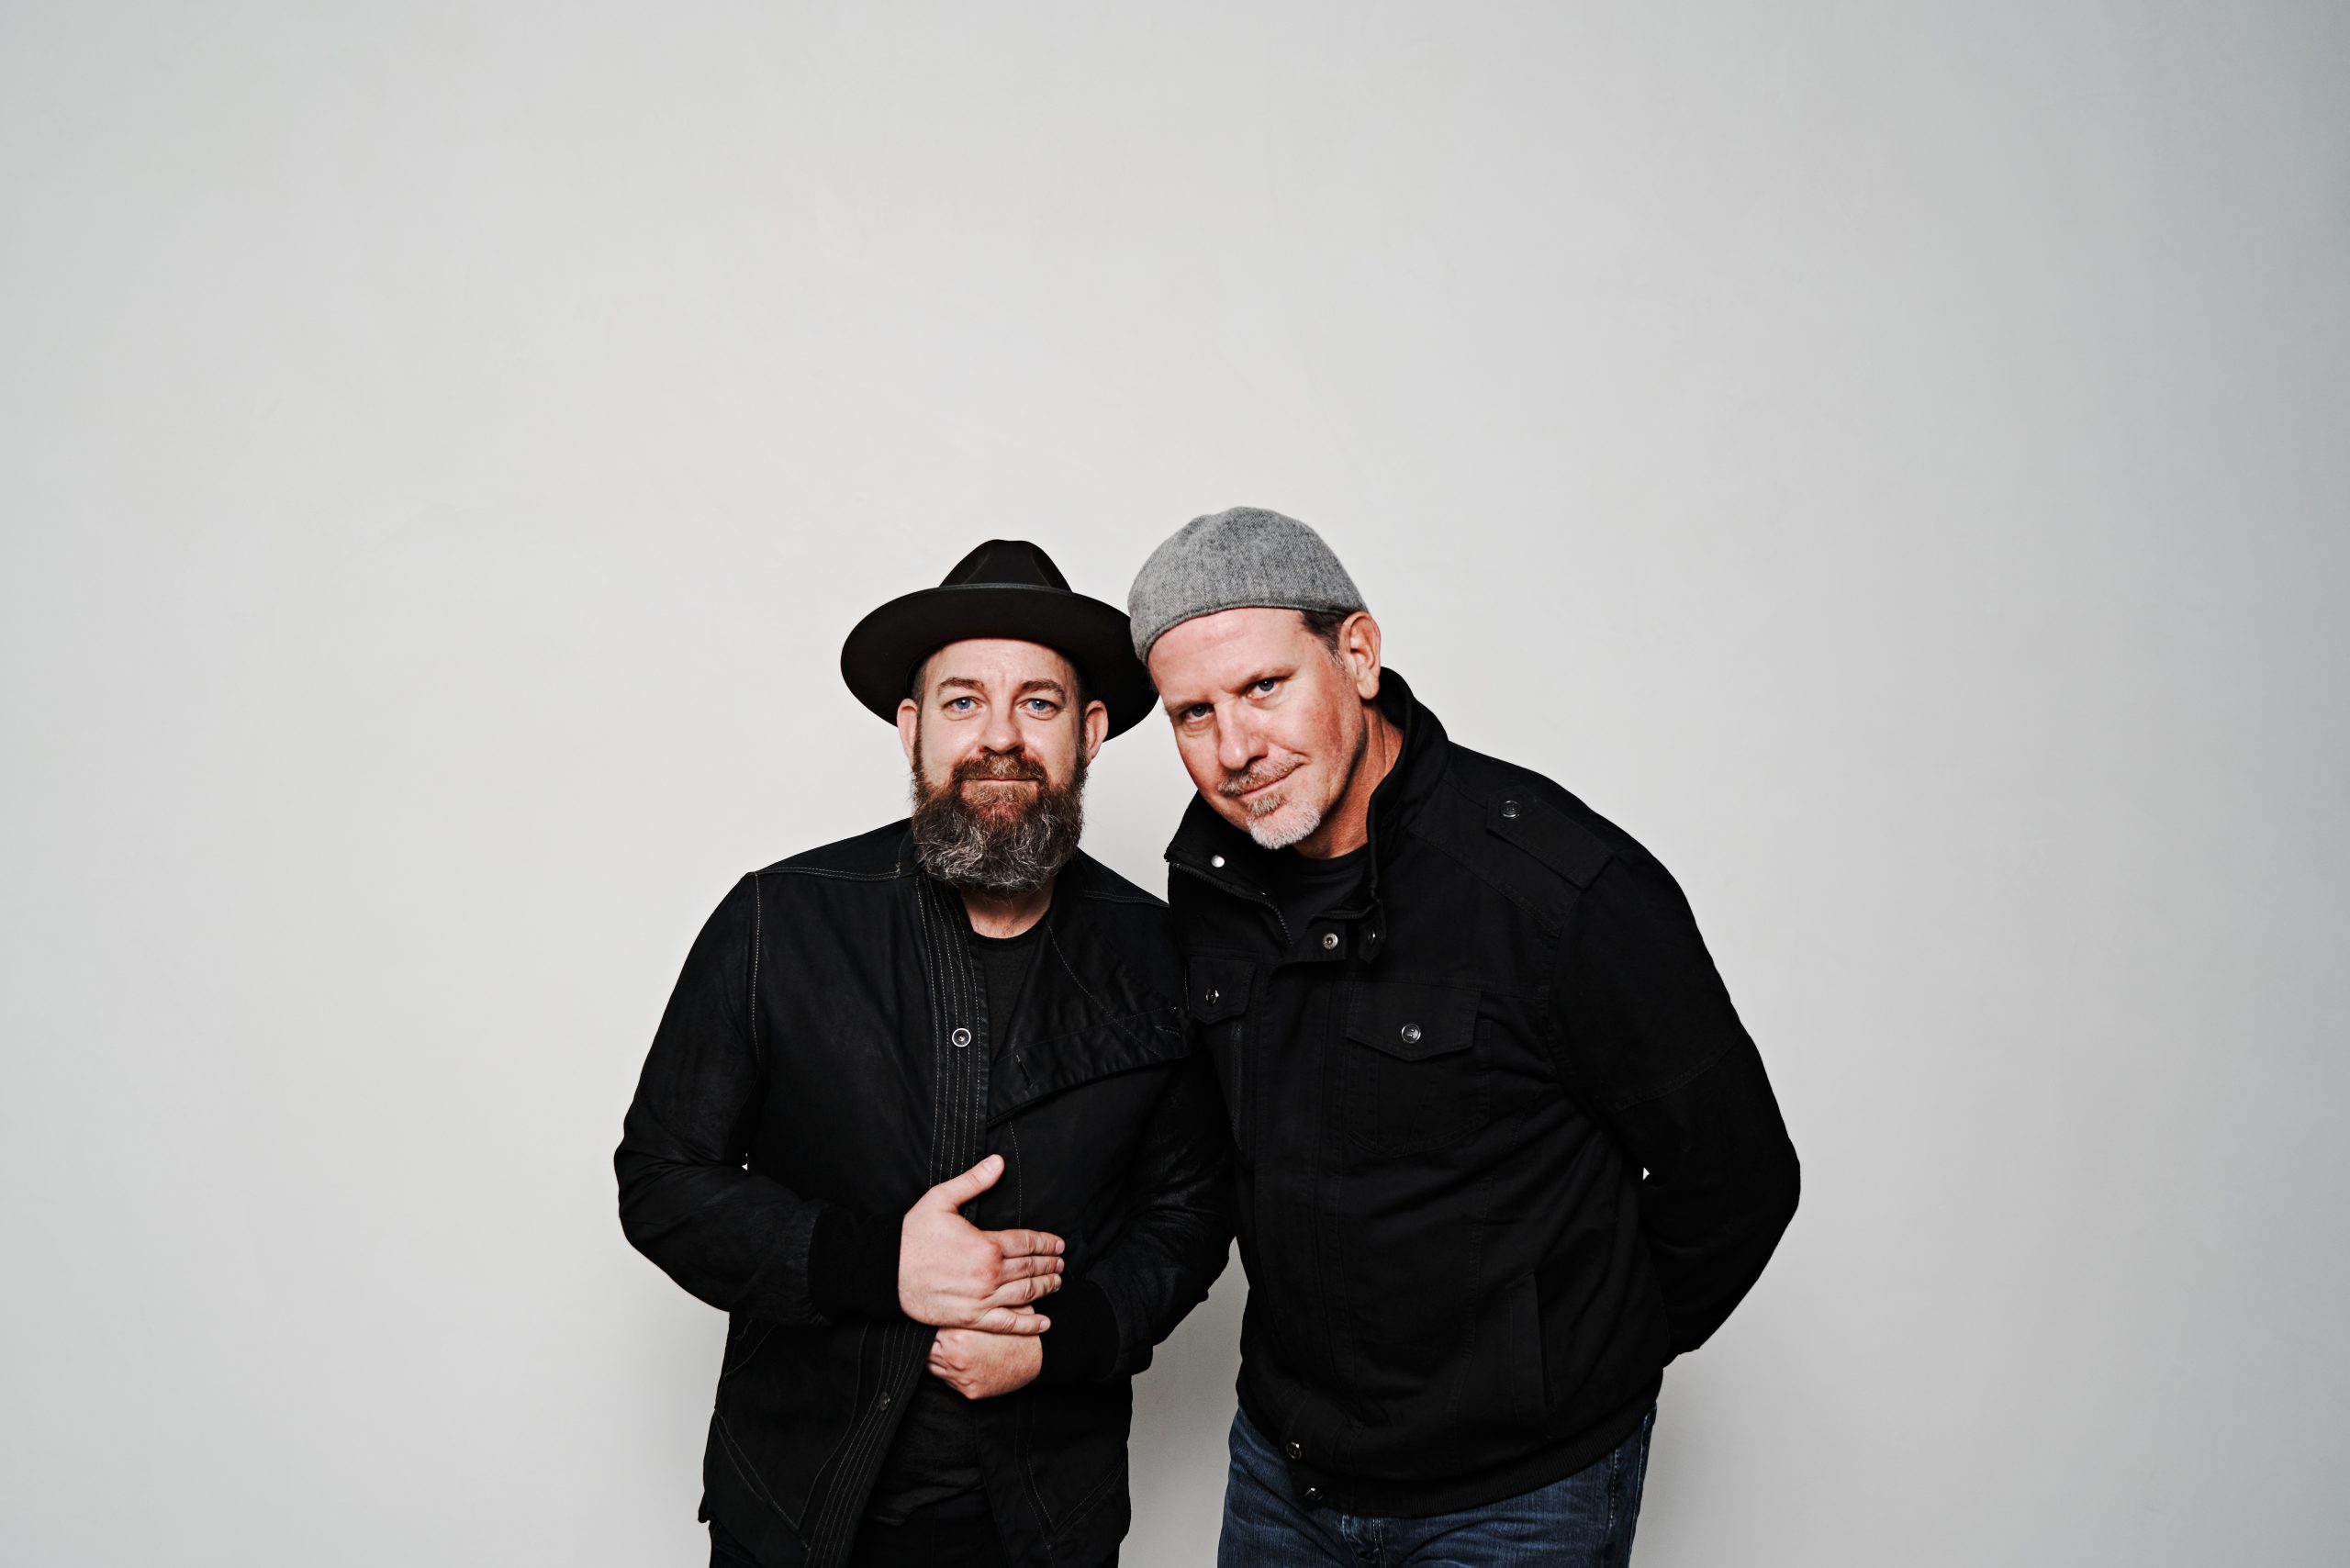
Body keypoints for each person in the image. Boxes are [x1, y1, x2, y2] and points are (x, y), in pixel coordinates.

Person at [1125, 508, 1801, 1566]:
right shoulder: (1211, 884)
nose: (1236, 748)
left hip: (1519, 1500)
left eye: (1263, 686)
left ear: (1356, 654)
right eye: (1193, 713)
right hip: (1283, 1470)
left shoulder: (1560, 888)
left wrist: (1565, 1368)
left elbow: (1738, 1177)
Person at [617, 540, 1234, 1568]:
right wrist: (874, 1264)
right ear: (912, 727)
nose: (1000, 738)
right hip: (797, 1516)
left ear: (1088, 732)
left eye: (1038, 703)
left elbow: (1191, 1212)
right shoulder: (777, 921)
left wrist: (1062, 1341)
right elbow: (661, 1180)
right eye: (962, 702)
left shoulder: (1161, 955)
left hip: (1045, 1526)